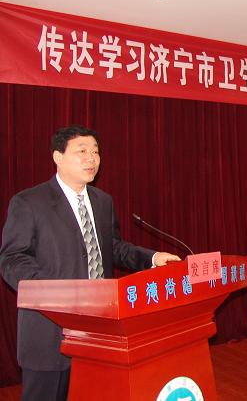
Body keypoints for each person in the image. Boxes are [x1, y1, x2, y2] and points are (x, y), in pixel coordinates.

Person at [0, 125, 181, 401]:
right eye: (81, 151)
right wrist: (53, 292)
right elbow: (12, 259)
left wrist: (152, 258)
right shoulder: (29, 202)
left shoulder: (103, 201)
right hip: (50, 332)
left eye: (95, 152)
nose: (91, 159)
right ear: (58, 157)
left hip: (100, 331)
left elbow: (112, 248)